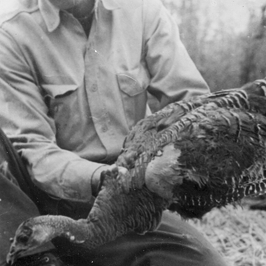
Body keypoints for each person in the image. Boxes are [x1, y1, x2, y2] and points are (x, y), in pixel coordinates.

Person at [0, 0, 227, 265]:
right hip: (37, 195)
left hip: (127, 196)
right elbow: (33, 148)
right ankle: (34, 258)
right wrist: (99, 177)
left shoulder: (143, 11)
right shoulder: (11, 32)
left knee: (202, 262)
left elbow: (192, 105)